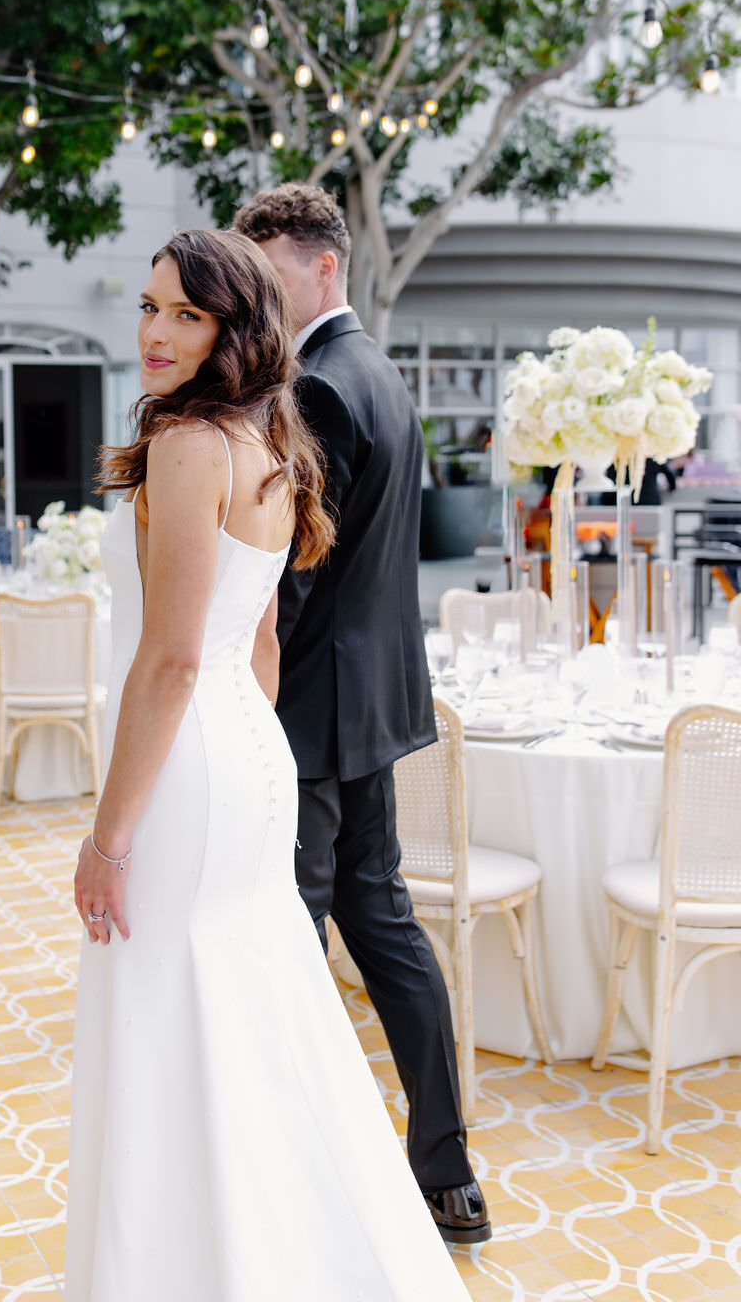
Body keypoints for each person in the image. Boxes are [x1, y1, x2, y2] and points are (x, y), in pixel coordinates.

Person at [65, 228, 472, 1301]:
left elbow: (170, 660)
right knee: (249, 1011)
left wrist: (108, 837)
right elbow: (261, 642)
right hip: (248, 753)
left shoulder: (189, 446)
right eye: (150, 307)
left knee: (167, 1019)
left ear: (232, 327)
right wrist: (242, 747)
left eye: (185, 314)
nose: (156, 330)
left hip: (193, 763)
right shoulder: (268, 439)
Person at [233, 184, 491, 1246]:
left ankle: (292, 1178)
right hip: (374, 706)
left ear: (321, 268)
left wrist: (237, 688)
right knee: (385, 931)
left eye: (267, 271)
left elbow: (297, 574)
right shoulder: (377, 369)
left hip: (311, 719)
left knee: (289, 941)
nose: (254, 294)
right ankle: (447, 1175)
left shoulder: (324, 390)